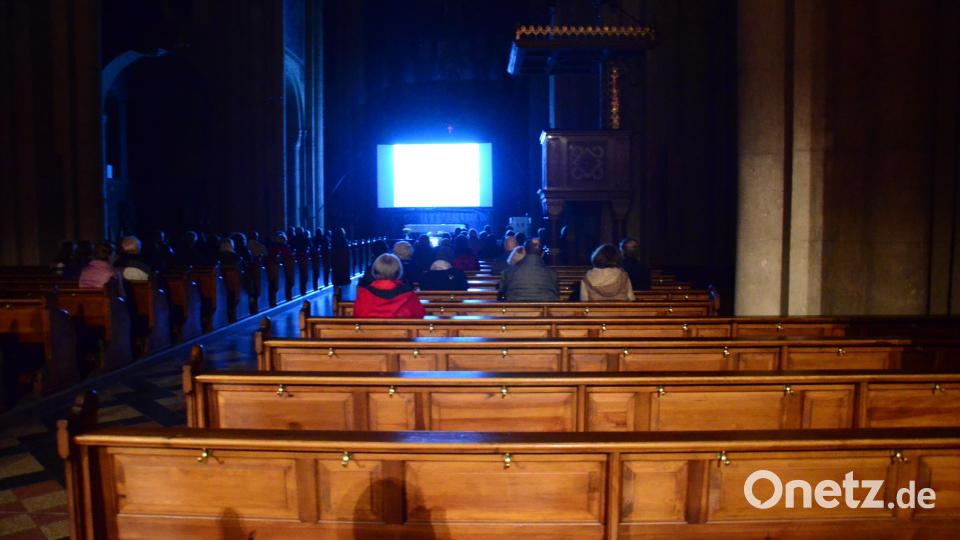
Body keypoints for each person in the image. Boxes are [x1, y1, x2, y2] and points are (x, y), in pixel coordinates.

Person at [354, 253, 425, 318]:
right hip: (401, 331)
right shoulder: (408, 294)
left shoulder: (364, 293)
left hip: (369, 331)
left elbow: (358, 314)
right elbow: (419, 314)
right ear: (398, 271)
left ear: (375, 270)